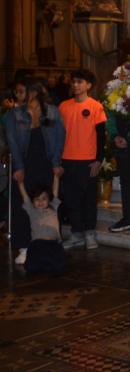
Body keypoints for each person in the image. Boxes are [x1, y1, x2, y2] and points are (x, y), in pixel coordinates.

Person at [6, 78, 65, 265]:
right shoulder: (14, 114)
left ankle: (49, 242)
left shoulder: (53, 112)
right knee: (23, 205)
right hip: (25, 163)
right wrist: (19, 167)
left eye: (21, 91)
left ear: (33, 92)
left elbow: (59, 138)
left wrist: (56, 163)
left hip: (46, 162)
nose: (17, 95)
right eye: (16, 91)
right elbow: (12, 142)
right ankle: (24, 246)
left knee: (48, 203)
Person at [58, 69, 106, 251]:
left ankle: (90, 233)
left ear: (89, 85)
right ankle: (76, 233)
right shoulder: (64, 106)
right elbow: (59, 135)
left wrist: (98, 161)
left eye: (80, 82)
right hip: (67, 159)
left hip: (88, 161)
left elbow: (101, 137)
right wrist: (58, 161)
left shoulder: (96, 106)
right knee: (71, 199)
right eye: (74, 82)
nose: (75, 85)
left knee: (88, 199)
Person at [17, 177, 66, 273]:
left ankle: (47, 261)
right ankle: (40, 260)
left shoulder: (53, 208)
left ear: (50, 201)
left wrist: (56, 177)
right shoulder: (32, 210)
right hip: (37, 244)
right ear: (33, 201)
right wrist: (20, 183)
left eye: (44, 198)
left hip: (52, 244)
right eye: (37, 199)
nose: (40, 201)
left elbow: (55, 190)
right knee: (31, 268)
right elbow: (24, 195)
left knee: (60, 266)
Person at [106, 111, 130, 233]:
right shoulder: (113, 94)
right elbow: (109, 118)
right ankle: (127, 217)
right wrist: (115, 136)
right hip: (120, 148)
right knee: (125, 183)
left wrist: (129, 138)